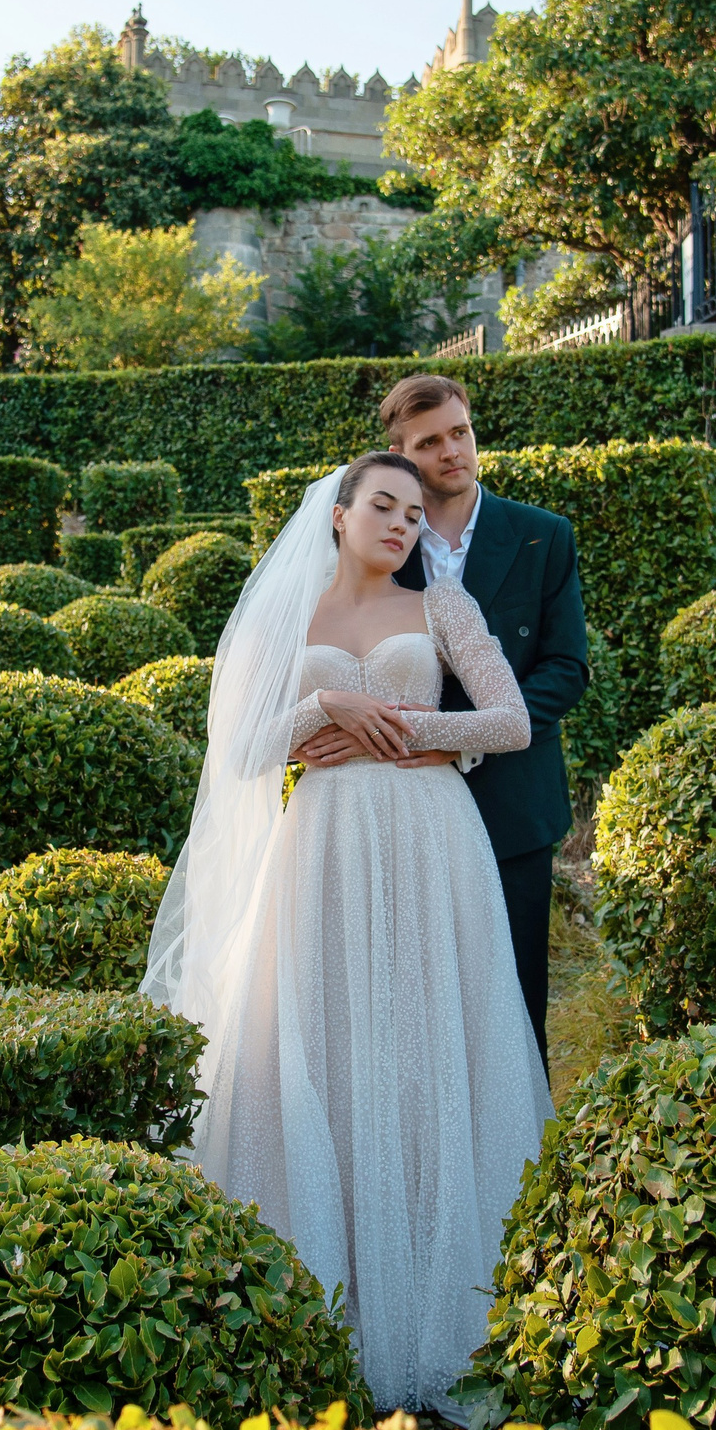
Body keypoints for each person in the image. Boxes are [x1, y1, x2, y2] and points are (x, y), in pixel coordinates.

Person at [142, 452, 554, 1419]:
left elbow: (511, 721)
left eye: (417, 512)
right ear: (337, 513)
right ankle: (329, 1308)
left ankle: (453, 1307)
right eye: (385, 505)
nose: (405, 524)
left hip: (430, 841)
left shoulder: (443, 607)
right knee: (328, 1045)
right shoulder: (293, 618)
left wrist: (403, 724)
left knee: (429, 1047)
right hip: (324, 846)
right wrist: (326, 705)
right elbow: (239, 747)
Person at [296, 374, 587, 1066]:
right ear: (401, 453)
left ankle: (516, 1166)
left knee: (509, 1004)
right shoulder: (381, 545)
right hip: (379, 814)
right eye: (430, 441)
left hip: (512, 800)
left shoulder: (543, 535)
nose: (452, 450)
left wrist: (438, 736)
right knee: (388, 1004)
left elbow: (564, 669)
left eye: (461, 431)